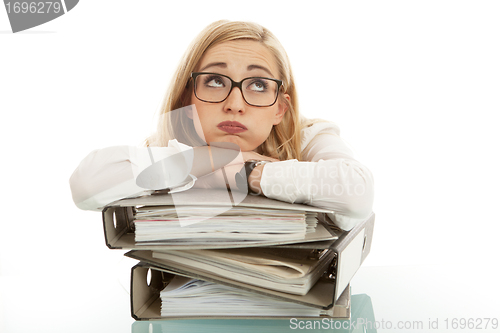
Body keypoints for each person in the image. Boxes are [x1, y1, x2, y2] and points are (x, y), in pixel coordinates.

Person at [69, 20, 374, 231]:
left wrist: (250, 173)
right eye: (215, 81)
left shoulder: (308, 137)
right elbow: (86, 185)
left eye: (257, 84)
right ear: (189, 99)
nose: (235, 104)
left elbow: (358, 193)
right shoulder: (166, 149)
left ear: (280, 108)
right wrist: (218, 159)